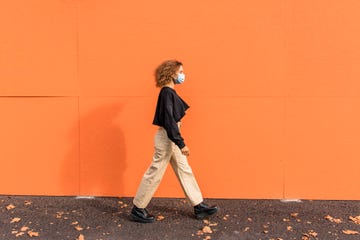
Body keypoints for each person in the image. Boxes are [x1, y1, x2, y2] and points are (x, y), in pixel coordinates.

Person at [130, 60, 218, 223]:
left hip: (171, 136)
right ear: (171, 73)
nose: (183, 75)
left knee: (184, 169)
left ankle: (199, 206)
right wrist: (181, 143)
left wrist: (178, 141)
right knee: (155, 171)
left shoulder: (169, 92)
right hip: (168, 137)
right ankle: (138, 208)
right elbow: (169, 121)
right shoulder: (166, 93)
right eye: (181, 72)